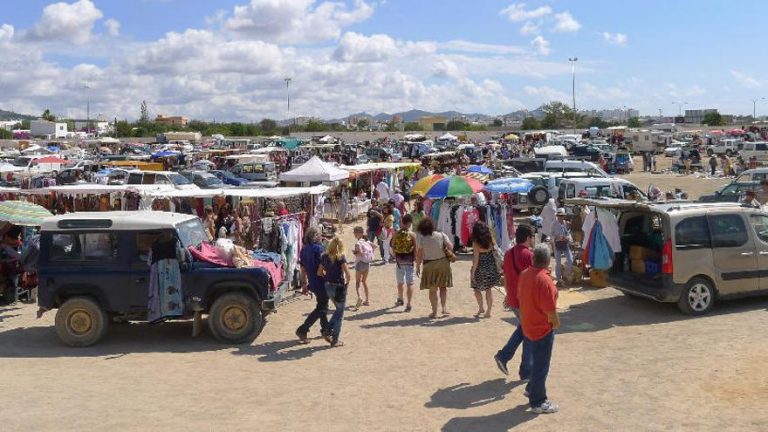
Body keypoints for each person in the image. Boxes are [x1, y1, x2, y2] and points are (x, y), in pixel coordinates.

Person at [518, 244, 560, 414]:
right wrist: (555, 325)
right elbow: (551, 312)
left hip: (528, 324)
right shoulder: (545, 281)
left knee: (537, 362)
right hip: (541, 328)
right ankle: (538, 401)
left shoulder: (525, 274)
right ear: (548, 260)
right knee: (542, 365)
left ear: (534, 258)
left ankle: (531, 388)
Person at [495, 225, 534, 380]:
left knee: (524, 329)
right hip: (525, 301)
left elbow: (506, 276)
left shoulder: (508, 253)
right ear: (528, 237)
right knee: (529, 334)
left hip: (513, 298)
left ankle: (505, 357)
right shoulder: (528, 255)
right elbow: (533, 280)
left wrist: (507, 294)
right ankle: (524, 371)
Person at [296, 227, 329, 344]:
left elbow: (303, 269)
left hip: (312, 282)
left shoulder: (304, 249)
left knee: (322, 306)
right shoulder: (319, 249)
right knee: (322, 308)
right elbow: (324, 266)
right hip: (321, 281)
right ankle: (303, 329)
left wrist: (304, 284)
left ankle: (326, 330)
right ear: (316, 236)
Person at [415, 217, 453, 319]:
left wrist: (418, 266)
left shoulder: (422, 239)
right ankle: (444, 308)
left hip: (429, 265)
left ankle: (434, 312)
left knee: (432, 290)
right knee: (443, 287)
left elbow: (419, 255)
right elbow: (451, 247)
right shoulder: (441, 235)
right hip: (443, 263)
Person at [317, 236, 351, 347]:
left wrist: (327, 277)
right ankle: (334, 338)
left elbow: (319, 272)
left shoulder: (324, 257)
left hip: (328, 286)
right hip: (339, 286)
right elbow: (348, 274)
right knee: (340, 313)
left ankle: (327, 330)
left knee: (338, 310)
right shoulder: (341, 257)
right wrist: (346, 284)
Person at [470, 222, 501, 318]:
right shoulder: (490, 238)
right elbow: (496, 249)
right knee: (488, 289)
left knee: (476, 288)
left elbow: (476, 259)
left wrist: (473, 272)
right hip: (491, 265)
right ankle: (488, 311)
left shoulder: (476, 242)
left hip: (480, 266)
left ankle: (481, 307)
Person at [391, 214, 416, 312]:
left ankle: (400, 299)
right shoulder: (412, 234)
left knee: (400, 282)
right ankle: (409, 304)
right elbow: (416, 249)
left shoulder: (396, 233)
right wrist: (416, 260)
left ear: (402, 222)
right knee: (410, 283)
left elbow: (392, 246)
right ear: (410, 223)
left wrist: (396, 256)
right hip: (409, 260)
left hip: (399, 260)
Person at [352, 226, 373, 308]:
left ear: (358, 233)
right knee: (364, 281)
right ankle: (367, 300)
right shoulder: (366, 241)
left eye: (355, 232)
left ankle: (360, 297)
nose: (354, 234)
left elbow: (360, 253)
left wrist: (355, 252)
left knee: (357, 282)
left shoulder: (358, 243)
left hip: (360, 263)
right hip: (367, 263)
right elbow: (374, 246)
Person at [551, 208, 572, 285]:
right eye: (559, 215)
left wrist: (568, 238)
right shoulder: (554, 224)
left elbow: (568, 233)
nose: (560, 217)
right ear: (557, 216)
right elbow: (551, 234)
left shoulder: (566, 223)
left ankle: (565, 275)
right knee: (558, 262)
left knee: (570, 260)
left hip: (565, 243)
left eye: (562, 215)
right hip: (557, 245)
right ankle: (559, 279)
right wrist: (556, 238)